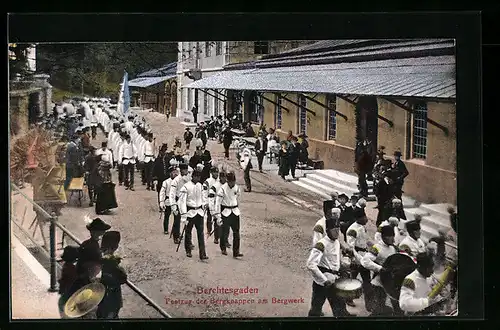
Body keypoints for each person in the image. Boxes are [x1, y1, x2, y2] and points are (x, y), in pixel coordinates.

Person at [306, 216, 352, 317]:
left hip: (334, 280)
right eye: (334, 230)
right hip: (322, 282)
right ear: (327, 230)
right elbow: (310, 264)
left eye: (338, 229)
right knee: (316, 309)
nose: (336, 232)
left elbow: (336, 260)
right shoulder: (321, 244)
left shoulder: (336, 242)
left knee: (339, 306)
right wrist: (324, 279)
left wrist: (344, 268)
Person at [361, 225, 399, 316]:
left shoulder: (393, 248)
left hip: (390, 282)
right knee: (379, 307)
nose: (393, 239)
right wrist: (380, 268)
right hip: (378, 282)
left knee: (396, 306)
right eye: (390, 236)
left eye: (393, 236)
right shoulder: (377, 247)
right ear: (383, 237)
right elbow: (365, 261)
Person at [96, 231, 127, 319]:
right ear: (115, 246)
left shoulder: (100, 257)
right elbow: (123, 278)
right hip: (111, 297)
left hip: (101, 295)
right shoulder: (111, 262)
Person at [178, 170, 208, 260]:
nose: (198, 178)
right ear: (193, 176)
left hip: (199, 212)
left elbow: (203, 197)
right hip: (190, 212)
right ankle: (188, 250)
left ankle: (202, 253)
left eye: (199, 177)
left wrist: (205, 203)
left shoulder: (200, 186)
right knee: (188, 232)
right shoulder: (186, 187)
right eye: (196, 177)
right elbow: (181, 201)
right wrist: (183, 214)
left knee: (201, 233)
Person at [346, 215, 374, 311]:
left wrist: (377, 247)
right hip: (356, 258)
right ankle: (348, 299)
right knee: (353, 280)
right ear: (358, 218)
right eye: (364, 217)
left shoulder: (362, 227)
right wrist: (357, 258)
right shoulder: (352, 230)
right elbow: (351, 247)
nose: (366, 219)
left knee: (367, 281)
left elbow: (368, 240)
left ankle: (369, 305)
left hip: (363, 256)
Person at [213, 171, 243, 258]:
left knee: (236, 233)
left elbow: (238, 199)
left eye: (233, 181)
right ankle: (223, 248)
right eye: (231, 182)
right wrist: (218, 216)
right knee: (224, 232)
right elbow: (218, 203)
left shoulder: (237, 188)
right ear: (228, 181)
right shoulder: (222, 189)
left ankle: (236, 251)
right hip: (225, 212)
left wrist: (237, 209)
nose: (232, 183)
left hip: (235, 211)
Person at [169, 163, 191, 244]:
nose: (186, 171)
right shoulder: (176, 180)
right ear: (181, 170)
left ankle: (188, 240)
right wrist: (173, 205)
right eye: (184, 170)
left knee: (189, 221)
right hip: (178, 200)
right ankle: (176, 236)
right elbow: (172, 194)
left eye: (186, 170)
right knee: (177, 219)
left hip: (186, 201)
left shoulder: (189, 179)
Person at [57, 246, 80, 318]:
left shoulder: (66, 266)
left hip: (64, 293)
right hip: (69, 294)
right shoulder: (72, 269)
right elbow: (73, 280)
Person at [207, 167, 226, 245]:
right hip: (215, 204)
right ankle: (216, 237)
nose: (216, 174)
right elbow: (208, 193)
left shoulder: (226, 186)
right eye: (215, 172)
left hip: (224, 205)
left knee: (225, 223)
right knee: (216, 221)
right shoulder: (212, 184)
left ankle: (224, 239)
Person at [159, 167, 178, 235]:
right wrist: (161, 201)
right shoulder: (166, 182)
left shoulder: (178, 181)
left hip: (176, 201)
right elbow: (162, 192)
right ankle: (166, 229)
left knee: (177, 217)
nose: (175, 174)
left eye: (176, 172)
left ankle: (176, 231)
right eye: (173, 172)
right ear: (170, 173)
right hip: (168, 201)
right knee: (167, 216)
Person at [203, 167, 219, 236]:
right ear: (211, 173)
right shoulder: (207, 181)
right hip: (210, 201)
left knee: (217, 218)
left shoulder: (219, 181)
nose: (216, 174)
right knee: (209, 217)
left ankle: (216, 235)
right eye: (215, 172)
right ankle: (209, 230)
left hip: (217, 202)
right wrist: (206, 202)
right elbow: (205, 193)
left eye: (217, 172)